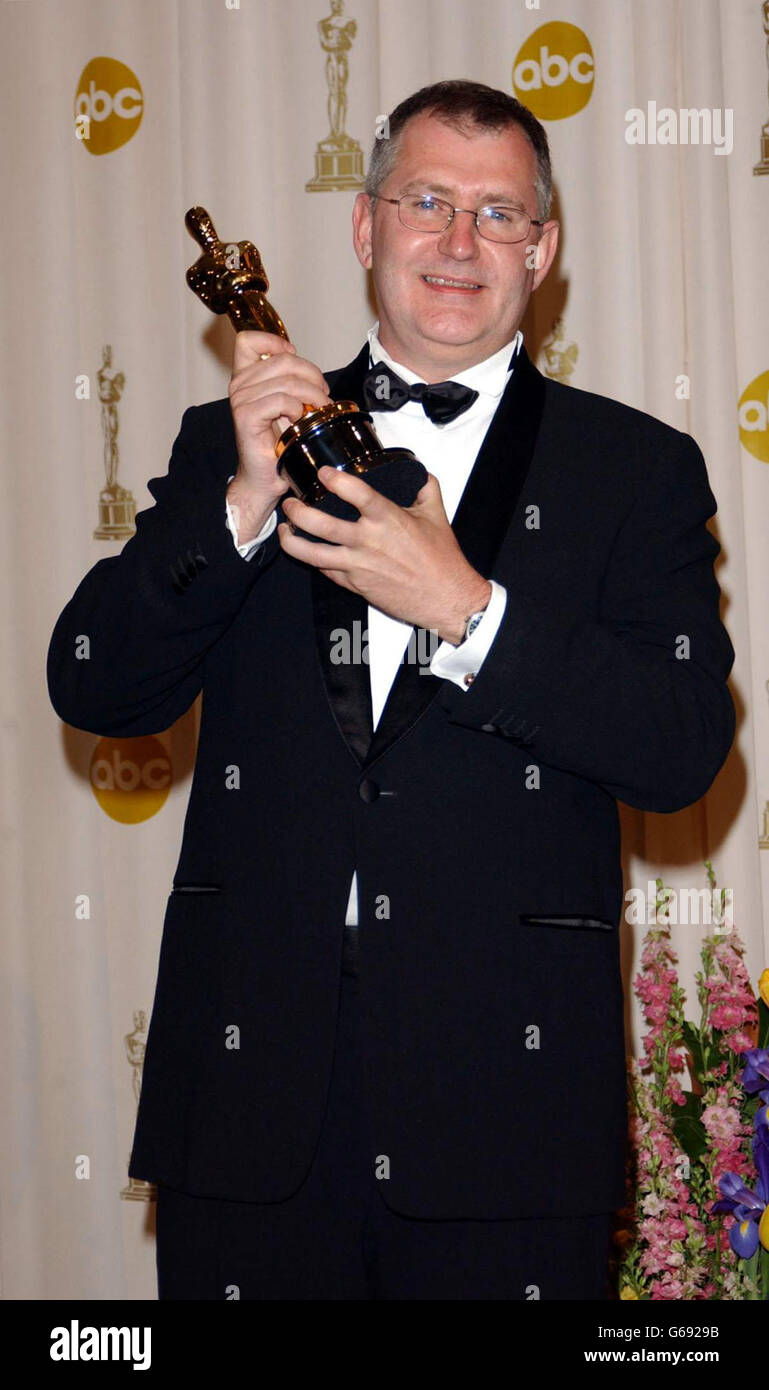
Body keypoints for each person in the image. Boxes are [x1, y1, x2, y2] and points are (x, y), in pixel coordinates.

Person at [47, 79, 735, 1300]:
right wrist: (245, 503)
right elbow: (95, 683)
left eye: (497, 213)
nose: (458, 243)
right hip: (250, 1113)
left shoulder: (637, 469)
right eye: (426, 202)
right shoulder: (227, 440)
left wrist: (469, 609)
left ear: (544, 249)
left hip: (508, 1122)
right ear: (366, 228)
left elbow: (680, 746)